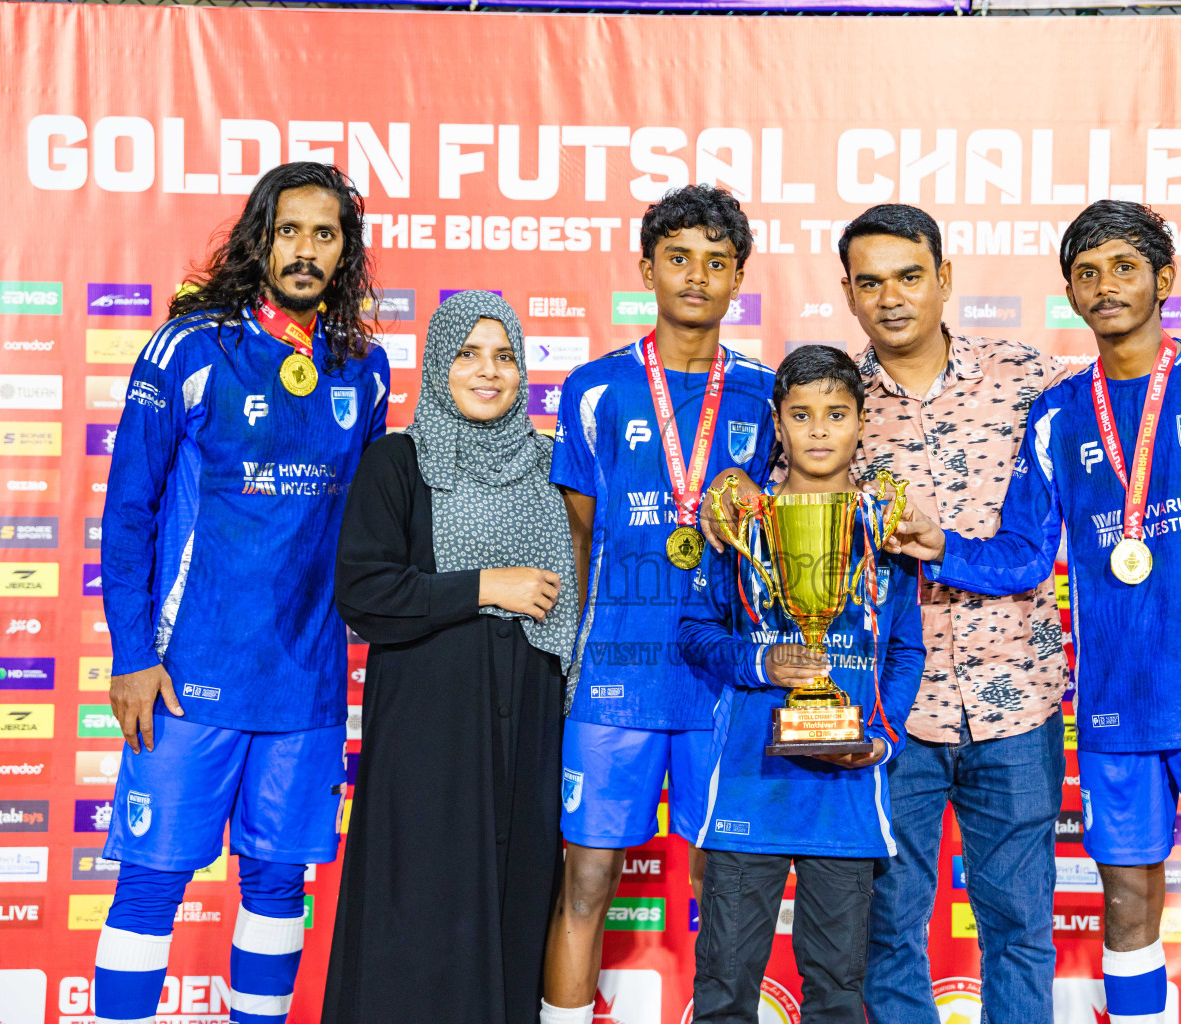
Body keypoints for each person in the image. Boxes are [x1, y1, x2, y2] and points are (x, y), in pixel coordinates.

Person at [705, 203, 1181, 1024]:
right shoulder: (830, 399)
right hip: (890, 710)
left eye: (908, 276)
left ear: (944, 279)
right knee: (889, 932)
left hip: (1018, 703)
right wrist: (731, 483)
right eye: (870, 283)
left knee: (1016, 926)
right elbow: (761, 492)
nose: (891, 298)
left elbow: (1130, 382)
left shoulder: (1030, 378)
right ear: (849, 294)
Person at [888, 199, 1181, 1024]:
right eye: (1085, 273)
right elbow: (1019, 552)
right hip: (1116, 706)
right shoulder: (1055, 413)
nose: (1104, 286)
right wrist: (938, 543)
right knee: (1124, 905)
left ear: (1163, 279)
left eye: (1123, 267)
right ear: (1069, 295)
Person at [95, 162, 389, 1024]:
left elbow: (366, 529)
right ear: (257, 238)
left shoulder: (361, 369)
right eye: (287, 231)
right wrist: (131, 654)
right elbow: (127, 514)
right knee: (152, 884)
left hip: (304, 682)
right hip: (187, 675)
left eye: (324, 234)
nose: (304, 251)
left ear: (345, 251)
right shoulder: (188, 347)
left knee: (275, 883)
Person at [541, 184, 777, 1024]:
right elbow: (575, 540)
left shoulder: (765, 394)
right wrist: (567, 661)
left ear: (738, 278)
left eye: (717, 263)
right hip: (614, 677)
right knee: (587, 880)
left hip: (724, 681)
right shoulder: (595, 389)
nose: (696, 277)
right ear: (646, 268)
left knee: (731, 883)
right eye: (678, 258)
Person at [323, 291, 574, 1022]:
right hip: (429, 729)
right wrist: (485, 587)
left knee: (516, 905)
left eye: (503, 355)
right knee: (421, 911)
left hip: (529, 720)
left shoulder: (550, 466)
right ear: (439, 363)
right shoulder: (398, 460)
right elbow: (364, 593)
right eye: (467, 353)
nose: (487, 371)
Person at [677, 345, 925, 1023]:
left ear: (860, 422)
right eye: (801, 414)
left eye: (836, 413)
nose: (818, 430)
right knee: (724, 988)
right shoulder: (736, 523)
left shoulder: (884, 527)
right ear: (778, 425)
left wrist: (881, 739)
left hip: (844, 795)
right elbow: (695, 633)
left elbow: (904, 649)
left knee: (838, 993)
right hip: (748, 785)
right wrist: (763, 665)